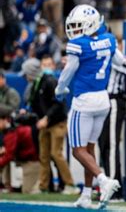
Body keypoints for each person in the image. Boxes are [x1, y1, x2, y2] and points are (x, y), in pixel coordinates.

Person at [55, 4, 126, 209]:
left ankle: (103, 180)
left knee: (78, 151)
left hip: (84, 101)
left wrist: (60, 88)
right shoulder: (108, 40)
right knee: (90, 148)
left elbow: (68, 72)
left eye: (80, 25)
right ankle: (87, 195)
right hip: (103, 100)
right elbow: (121, 61)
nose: (76, 30)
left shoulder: (78, 45)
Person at [21, 56, 78, 195]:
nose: (25, 77)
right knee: (44, 156)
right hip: (44, 124)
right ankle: (43, 186)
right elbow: (37, 103)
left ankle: (70, 185)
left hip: (57, 122)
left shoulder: (50, 81)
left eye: (27, 74)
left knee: (56, 154)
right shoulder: (36, 84)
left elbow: (58, 103)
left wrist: (47, 118)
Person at [98, 38, 126, 200]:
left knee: (111, 145)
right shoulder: (97, 54)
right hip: (99, 101)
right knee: (103, 145)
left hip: (113, 101)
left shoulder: (113, 55)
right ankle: (106, 184)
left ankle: (114, 188)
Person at [0, 108, 40, 194]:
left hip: (32, 161)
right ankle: (6, 186)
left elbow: (8, 155)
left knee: (27, 191)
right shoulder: (10, 129)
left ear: (5, 119)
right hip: (22, 158)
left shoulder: (12, 132)